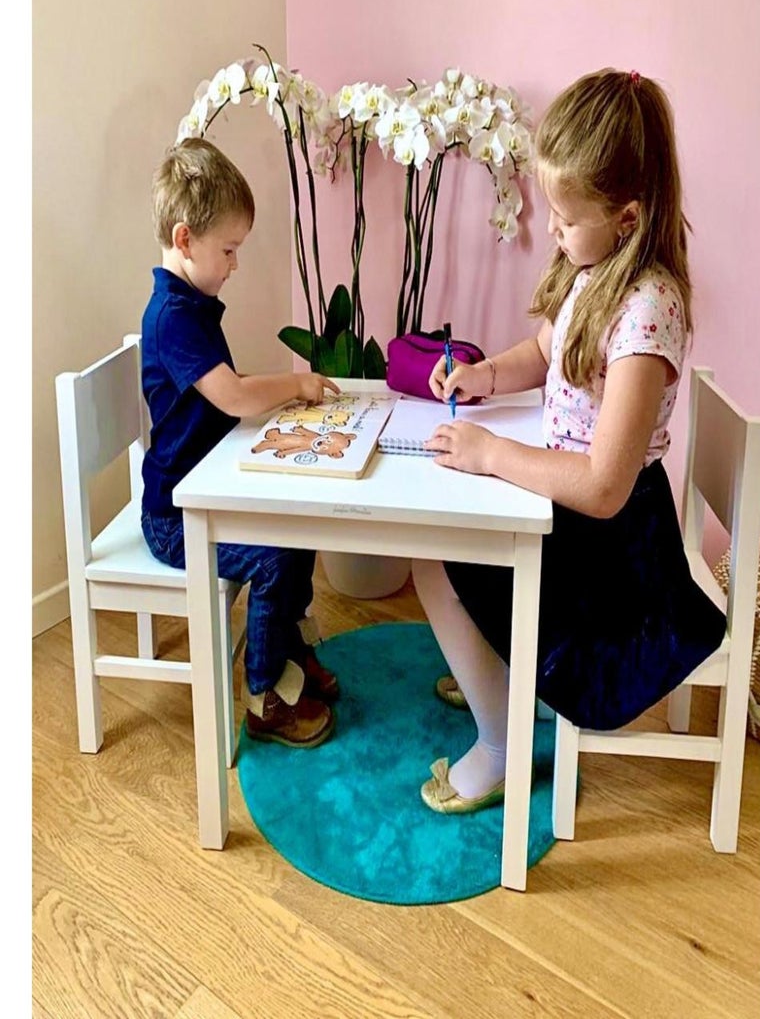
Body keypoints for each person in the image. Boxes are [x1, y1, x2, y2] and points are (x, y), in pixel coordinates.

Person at [412, 68, 727, 814]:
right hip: (570, 509)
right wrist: (486, 376)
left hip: (611, 548)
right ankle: (496, 671)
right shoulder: (595, 269)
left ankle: (501, 743)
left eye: (564, 216)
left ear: (627, 217)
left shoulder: (648, 311)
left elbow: (604, 486)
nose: (551, 229)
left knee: (434, 557)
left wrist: (492, 455)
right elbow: (544, 351)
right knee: (452, 537)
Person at [141, 137, 341, 749]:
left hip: (212, 487)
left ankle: (290, 649)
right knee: (273, 555)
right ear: (185, 240)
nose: (234, 264)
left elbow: (223, 390)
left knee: (296, 525)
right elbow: (230, 395)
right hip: (177, 516)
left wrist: (282, 395)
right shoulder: (173, 316)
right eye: (228, 250)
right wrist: (295, 383)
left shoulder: (194, 304)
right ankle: (265, 698)